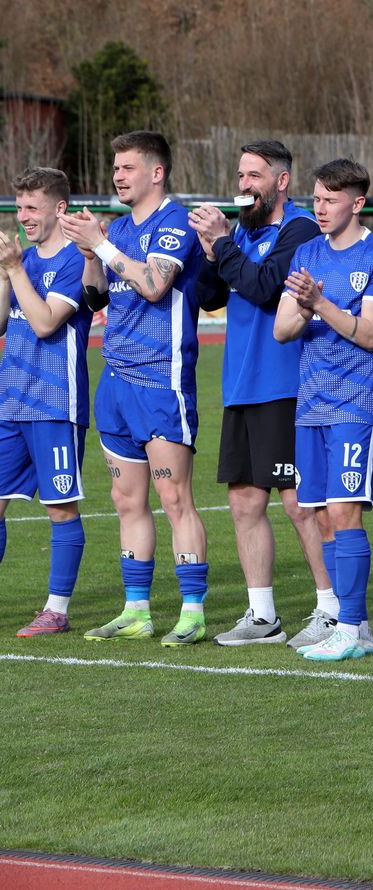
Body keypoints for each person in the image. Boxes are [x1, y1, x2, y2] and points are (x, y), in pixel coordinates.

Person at [62, 131, 210, 645]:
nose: (118, 176)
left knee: (175, 498)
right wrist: (90, 252)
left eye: (127, 167)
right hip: (117, 382)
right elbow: (96, 296)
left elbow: (154, 285)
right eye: (116, 167)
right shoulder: (121, 227)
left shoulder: (176, 223)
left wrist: (102, 244)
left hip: (161, 382)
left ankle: (192, 611)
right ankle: (136, 610)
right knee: (126, 501)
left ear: (156, 172)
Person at [190, 140, 330, 648]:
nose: (244, 185)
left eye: (254, 176)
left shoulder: (300, 230)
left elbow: (266, 287)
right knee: (244, 503)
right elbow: (209, 296)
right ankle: (262, 615)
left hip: (285, 385)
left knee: (299, 504)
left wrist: (223, 244)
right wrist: (211, 250)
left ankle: (332, 609)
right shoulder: (241, 234)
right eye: (241, 175)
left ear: (281, 181)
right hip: (241, 385)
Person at [273, 159, 373, 661]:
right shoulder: (306, 252)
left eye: (331, 200)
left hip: (357, 401)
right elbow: (283, 329)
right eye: (316, 199)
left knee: (345, 513)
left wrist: (320, 305)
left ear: (358, 203)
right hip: (312, 404)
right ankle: (354, 625)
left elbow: (370, 334)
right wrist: (306, 306)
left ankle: (349, 627)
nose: (320, 208)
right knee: (322, 516)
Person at [0, 168, 93, 637]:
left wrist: (16, 270)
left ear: (59, 208)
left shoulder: (75, 260)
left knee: (60, 508)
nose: (23, 216)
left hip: (56, 404)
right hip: (10, 402)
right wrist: (6, 271)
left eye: (32, 207)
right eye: (19, 207)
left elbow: (44, 323)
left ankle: (56, 610)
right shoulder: (25, 258)